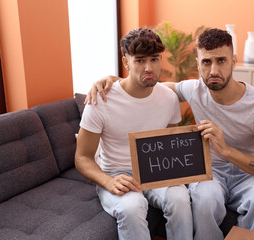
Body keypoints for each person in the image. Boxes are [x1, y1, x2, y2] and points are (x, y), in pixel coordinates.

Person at [86, 28, 254, 239]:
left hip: (248, 175)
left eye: (222, 61)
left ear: (234, 61)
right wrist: (111, 79)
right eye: (207, 62)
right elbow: (145, 85)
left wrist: (226, 150)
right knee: (204, 197)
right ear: (198, 63)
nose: (214, 70)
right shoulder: (191, 89)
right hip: (210, 171)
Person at [75, 28, 193, 240]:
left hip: (155, 170)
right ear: (126, 62)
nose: (149, 67)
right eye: (139, 60)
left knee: (181, 199)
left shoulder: (168, 98)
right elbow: (82, 158)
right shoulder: (100, 100)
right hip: (115, 174)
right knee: (132, 207)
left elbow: (170, 143)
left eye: (154, 59)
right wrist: (108, 181)